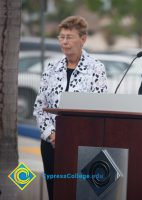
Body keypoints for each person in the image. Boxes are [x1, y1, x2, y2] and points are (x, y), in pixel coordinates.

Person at [33, 16, 108, 200]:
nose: (64, 42)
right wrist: (52, 135)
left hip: (81, 145)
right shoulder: (51, 67)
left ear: (83, 39)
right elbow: (39, 106)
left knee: (78, 192)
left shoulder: (96, 68)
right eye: (61, 37)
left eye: (69, 37)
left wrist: (72, 138)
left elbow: (99, 109)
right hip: (51, 144)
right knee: (55, 191)